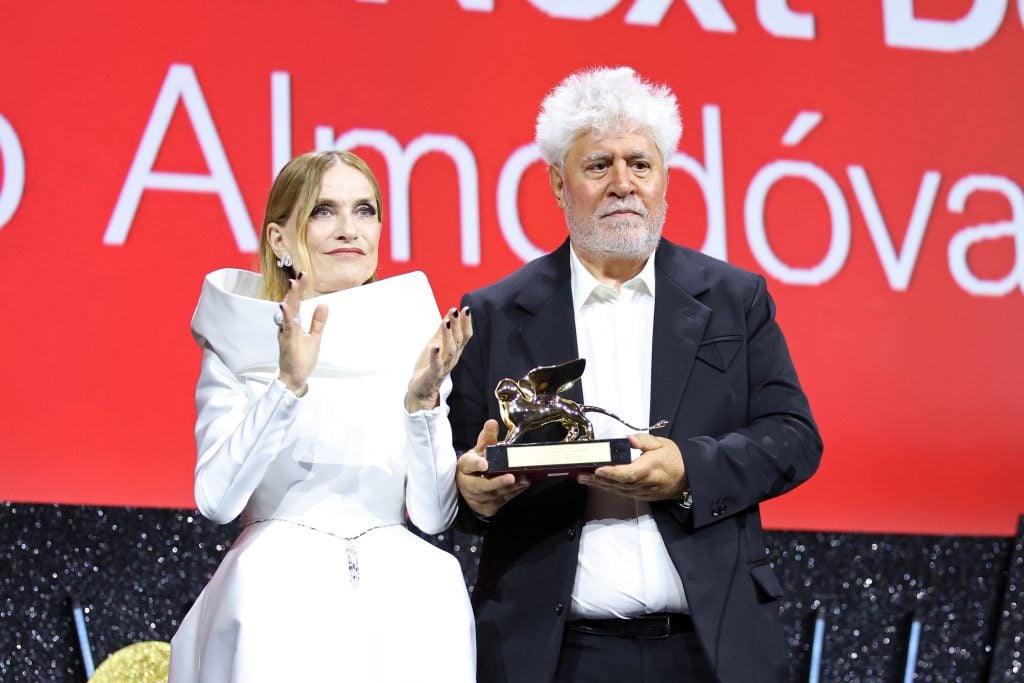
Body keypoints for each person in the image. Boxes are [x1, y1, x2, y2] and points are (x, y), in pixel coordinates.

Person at [449, 67, 823, 682]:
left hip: (712, 649)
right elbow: (459, 473)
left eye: (640, 165)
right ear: (557, 183)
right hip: (550, 656)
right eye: (598, 166)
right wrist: (471, 492)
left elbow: (794, 438)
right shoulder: (491, 313)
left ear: (665, 179)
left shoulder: (735, 298)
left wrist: (686, 470)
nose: (623, 183)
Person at [168, 150, 476, 682]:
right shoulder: (238, 338)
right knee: (260, 588)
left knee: (439, 581)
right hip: (276, 598)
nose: (349, 229)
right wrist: (287, 386)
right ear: (279, 240)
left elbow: (433, 516)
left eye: (365, 210)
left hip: (401, 604)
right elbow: (217, 500)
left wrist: (421, 405)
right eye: (323, 211)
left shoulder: (414, 337)